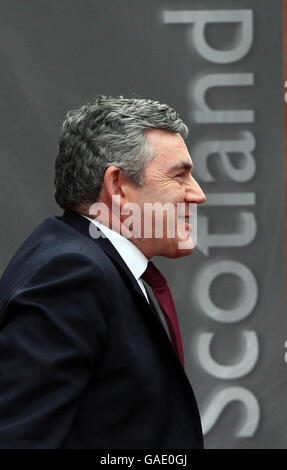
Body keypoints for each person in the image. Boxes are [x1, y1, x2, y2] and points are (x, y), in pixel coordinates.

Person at [0, 96, 206, 449]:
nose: (198, 195)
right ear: (119, 187)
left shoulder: (84, 260)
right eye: (179, 176)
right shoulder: (72, 273)